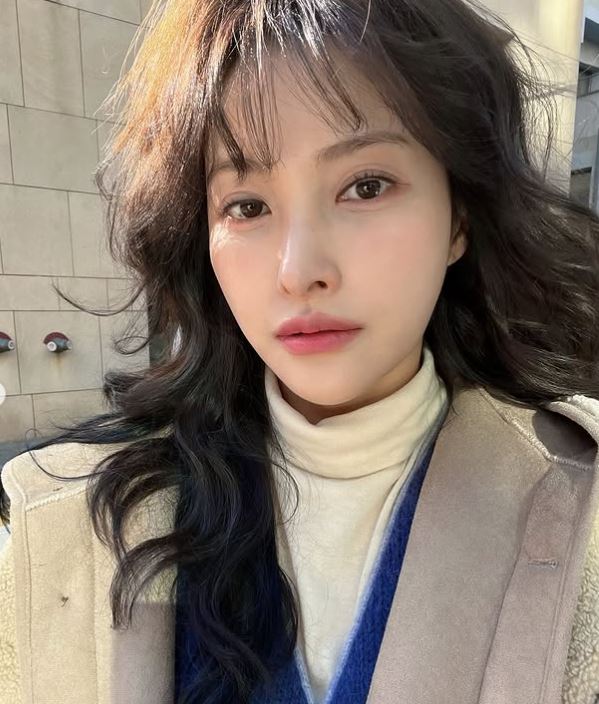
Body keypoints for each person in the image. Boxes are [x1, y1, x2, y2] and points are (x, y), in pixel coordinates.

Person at [1, 0, 599, 702]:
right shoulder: (71, 529)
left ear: (458, 219)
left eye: (365, 186)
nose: (299, 270)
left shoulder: (577, 521)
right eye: (247, 206)